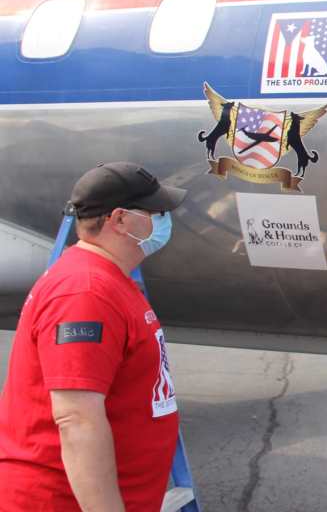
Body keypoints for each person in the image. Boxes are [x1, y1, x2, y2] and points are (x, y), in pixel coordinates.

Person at [0, 162, 187, 511]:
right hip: (58, 501)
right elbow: (77, 419)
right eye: (156, 211)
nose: (164, 220)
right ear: (119, 220)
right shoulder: (85, 293)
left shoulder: (105, 280)